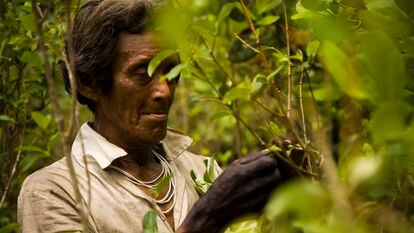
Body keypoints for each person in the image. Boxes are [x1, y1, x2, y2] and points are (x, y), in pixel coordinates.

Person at [18, 0, 287, 232]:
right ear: (89, 83)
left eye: (170, 71)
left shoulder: (202, 170)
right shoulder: (53, 191)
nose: (164, 91)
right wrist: (206, 220)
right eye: (142, 72)